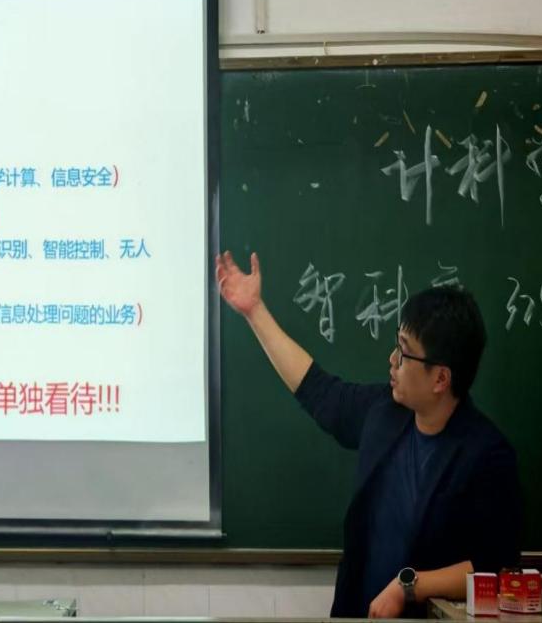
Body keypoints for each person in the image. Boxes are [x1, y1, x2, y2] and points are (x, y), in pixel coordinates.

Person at [216, 248, 522, 619]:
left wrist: (410, 586)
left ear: (441, 378)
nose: (392, 360)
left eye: (405, 354)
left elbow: (496, 567)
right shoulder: (384, 413)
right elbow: (318, 390)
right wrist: (254, 311)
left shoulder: (486, 455)